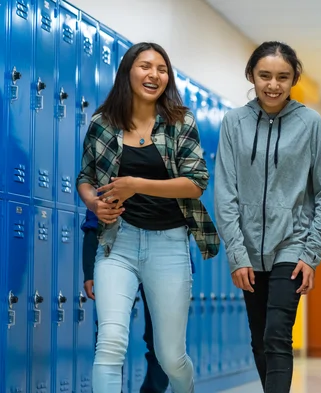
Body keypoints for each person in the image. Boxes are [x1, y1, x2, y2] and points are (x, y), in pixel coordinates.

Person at [76, 42, 219, 393]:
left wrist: (136, 185)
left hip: (168, 246)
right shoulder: (102, 123)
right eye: (145, 66)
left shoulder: (179, 122)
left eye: (162, 68)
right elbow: (85, 178)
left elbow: (196, 184)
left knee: (170, 356)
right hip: (117, 244)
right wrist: (94, 203)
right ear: (128, 71)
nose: (154, 74)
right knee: (110, 343)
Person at [214, 41, 321, 393]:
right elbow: (225, 193)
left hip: (292, 244)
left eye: (283, 77)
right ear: (251, 76)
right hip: (248, 249)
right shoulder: (234, 122)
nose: (273, 85)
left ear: (294, 78)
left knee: (277, 334)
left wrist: (310, 253)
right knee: (259, 337)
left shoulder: (309, 123)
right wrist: (237, 254)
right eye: (264, 75)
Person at [81, 209, 170, 393]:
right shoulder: (111, 183)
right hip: (117, 255)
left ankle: (153, 390)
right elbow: (94, 224)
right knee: (110, 335)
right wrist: (89, 271)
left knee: (162, 338)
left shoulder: (168, 182)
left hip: (163, 258)